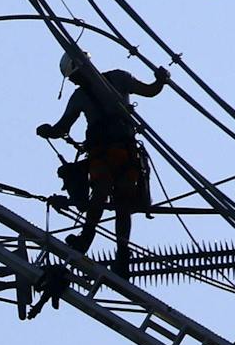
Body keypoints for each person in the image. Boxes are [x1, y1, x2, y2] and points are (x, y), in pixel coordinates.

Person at [36, 48, 168, 270]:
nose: (74, 82)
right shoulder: (83, 94)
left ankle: (120, 254)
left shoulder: (116, 78)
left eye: (74, 77)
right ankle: (91, 241)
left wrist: (161, 81)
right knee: (102, 196)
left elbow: (149, 90)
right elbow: (63, 127)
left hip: (121, 153)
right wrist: (49, 131)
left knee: (120, 203)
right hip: (107, 154)